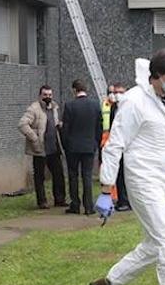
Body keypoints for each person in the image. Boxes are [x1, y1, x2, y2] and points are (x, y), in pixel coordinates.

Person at [89, 49, 165, 285]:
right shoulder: (135, 102)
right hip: (142, 181)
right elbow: (114, 145)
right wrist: (106, 188)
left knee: (155, 245)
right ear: (156, 77)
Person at [18, 85, 66, 210]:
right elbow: (22, 124)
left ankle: (60, 199)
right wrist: (34, 138)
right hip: (40, 148)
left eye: (50, 95)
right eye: (45, 95)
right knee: (40, 177)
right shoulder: (34, 108)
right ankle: (42, 202)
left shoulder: (55, 107)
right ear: (40, 95)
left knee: (58, 174)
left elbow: (53, 123)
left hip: (54, 147)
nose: (48, 97)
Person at [61, 79, 102, 215]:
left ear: (74, 90)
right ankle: (89, 206)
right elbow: (99, 127)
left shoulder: (69, 105)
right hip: (89, 146)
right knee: (87, 175)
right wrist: (96, 143)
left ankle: (75, 204)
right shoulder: (95, 105)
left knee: (73, 176)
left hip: (73, 146)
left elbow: (65, 129)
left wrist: (65, 145)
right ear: (86, 89)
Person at [109, 82, 131, 212]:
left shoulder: (130, 107)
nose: (117, 95)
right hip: (117, 145)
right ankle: (122, 200)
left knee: (126, 175)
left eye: (120, 92)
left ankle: (126, 201)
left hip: (128, 147)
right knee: (119, 174)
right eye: (115, 92)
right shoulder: (112, 107)